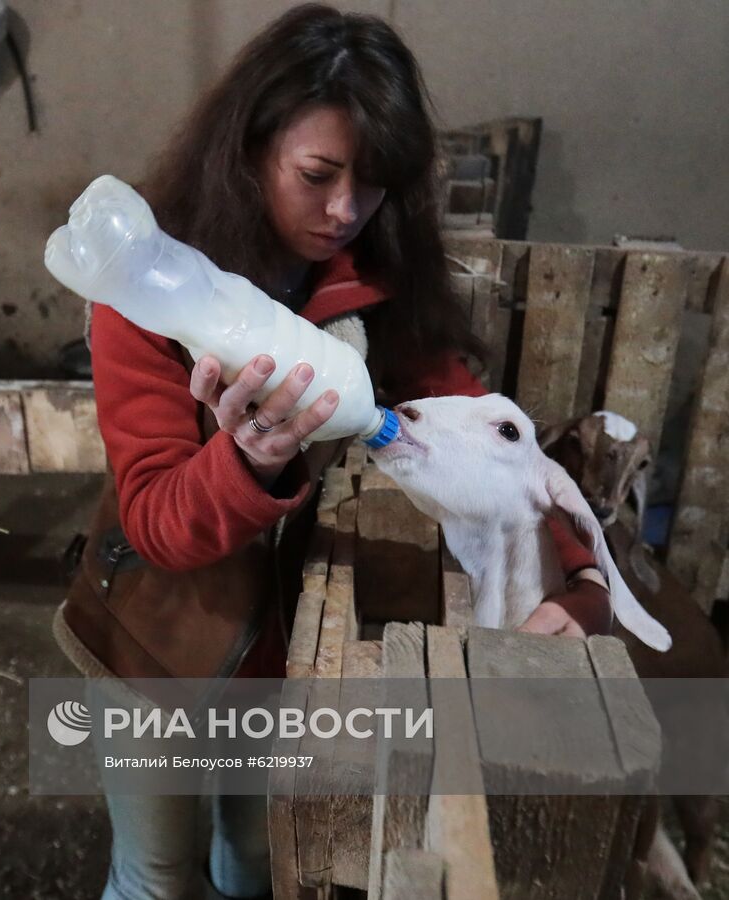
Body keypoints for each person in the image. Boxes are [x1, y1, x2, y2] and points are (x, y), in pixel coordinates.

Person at [55, 6, 611, 899]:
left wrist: (584, 582)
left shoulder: (370, 279)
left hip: (282, 646)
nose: (346, 210)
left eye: (374, 183)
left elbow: (483, 434)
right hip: (157, 634)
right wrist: (249, 460)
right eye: (317, 175)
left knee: (260, 855)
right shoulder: (150, 292)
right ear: (250, 149)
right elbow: (157, 519)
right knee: (158, 874)